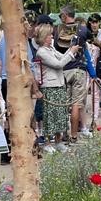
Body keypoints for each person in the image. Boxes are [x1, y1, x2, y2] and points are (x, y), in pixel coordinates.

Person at [33, 22, 78, 150]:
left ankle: (58, 141)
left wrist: (71, 50)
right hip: (49, 86)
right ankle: (47, 143)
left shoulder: (51, 49)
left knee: (60, 114)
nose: (52, 37)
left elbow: (63, 58)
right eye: (49, 35)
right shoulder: (41, 52)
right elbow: (58, 64)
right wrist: (70, 53)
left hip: (59, 84)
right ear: (43, 37)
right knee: (50, 115)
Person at [54, 5, 89, 143]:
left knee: (64, 104)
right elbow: (92, 41)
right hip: (78, 68)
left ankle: (64, 135)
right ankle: (74, 136)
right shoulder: (83, 29)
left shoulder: (58, 30)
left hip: (63, 69)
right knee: (76, 104)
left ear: (64, 15)